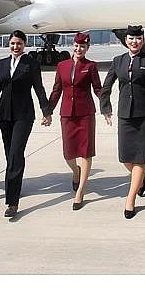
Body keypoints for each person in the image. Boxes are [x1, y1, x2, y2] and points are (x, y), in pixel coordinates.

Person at [100, 24, 145, 219]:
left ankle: (130, 200)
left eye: (138, 39)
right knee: (125, 158)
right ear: (126, 40)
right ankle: (140, 179)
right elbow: (107, 86)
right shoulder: (118, 61)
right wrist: (105, 108)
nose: (134, 42)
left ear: (142, 41)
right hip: (125, 115)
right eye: (131, 39)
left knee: (140, 158)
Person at [0, 30, 53, 218]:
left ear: (24, 45)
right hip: (4, 115)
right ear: (8, 44)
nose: (15, 46)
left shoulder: (31, 64)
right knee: (10, 154)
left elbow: (39, 88)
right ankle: (14, 185)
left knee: (16, 153)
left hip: (23, 115)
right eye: (12, 43)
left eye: (19, 43)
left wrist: (46, 111)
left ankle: (12, 202)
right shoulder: (1, 64)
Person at [48, 32, 102, 211]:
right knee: (68, 153)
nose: (79, 49)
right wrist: (48, 111)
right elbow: (57, 90)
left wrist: (106, 105)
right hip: (67, 114)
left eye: (83, 47)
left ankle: (80, 191)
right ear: (73, 46)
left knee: (86, 152)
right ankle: (75, 171)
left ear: (87, 48)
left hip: (85, 114)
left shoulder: (90, 66)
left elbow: (98, 89)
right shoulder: (62, 65)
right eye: (77, 46)